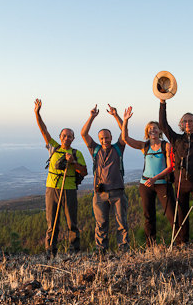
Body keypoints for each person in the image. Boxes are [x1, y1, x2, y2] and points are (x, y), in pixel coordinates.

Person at [159, 90, 193, 246]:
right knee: (182, 213)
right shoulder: (176, 139)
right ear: (181, 125)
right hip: (180, 182)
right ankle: (184, 242)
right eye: (185, 121)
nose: (188, 123)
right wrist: (163, 103)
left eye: (191, 121)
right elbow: (163, 125)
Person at [34, 99, 87, 257]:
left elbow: (84, 172)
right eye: (64, 135)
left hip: (69, 189)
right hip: (52, 188)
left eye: (69, 136)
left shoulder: (77, 153)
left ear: (73, 138)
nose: (66, 138)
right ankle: (50, 252)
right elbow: (43, 130)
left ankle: (74, 252)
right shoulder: (54, 148)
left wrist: (73, 163)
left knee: (72, 223)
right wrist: (37, 113)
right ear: (60, 137)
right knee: (52, 223)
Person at [121, 107, 176, 247]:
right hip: (145, 184)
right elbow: (125, 138)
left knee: (171, 214)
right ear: (147, 132)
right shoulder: (144, 146)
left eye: (155, 128)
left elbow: (170, 167)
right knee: (148, 216)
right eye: (150, 128)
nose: (153, 130)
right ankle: (151, 246)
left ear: (160, 131)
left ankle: (178, 243)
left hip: (162, 183)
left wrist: (155, 178)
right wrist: (125, 121)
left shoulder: (166, 145)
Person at [81, 104, 130, 253]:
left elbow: (124, 133)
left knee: (122, 223)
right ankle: (101, 251)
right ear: (99, 139)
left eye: (107, 138)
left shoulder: (118, 148)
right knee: (101, 224)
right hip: (99, 193)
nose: (104, 140)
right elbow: (83, 134)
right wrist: (91, 117)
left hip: (118, 192)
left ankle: (123, 251)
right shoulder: (94, 149)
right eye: (102, 138)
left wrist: (116, 116)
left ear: (111, 138)